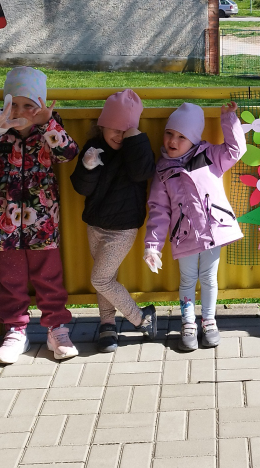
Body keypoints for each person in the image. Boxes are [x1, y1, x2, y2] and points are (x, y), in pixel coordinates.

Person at [0, 67, 79, 364]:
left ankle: (57, 328)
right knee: (10, 278)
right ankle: (15, 330)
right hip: (2, 221)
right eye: (13, 103)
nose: (19, 111)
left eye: (29, 105)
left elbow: (68, 153)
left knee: (49, 276)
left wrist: (48, 124)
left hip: (42, 220)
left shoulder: (48, 130)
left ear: (41, 107)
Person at [145, 101, 245, 351]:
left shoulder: (210, 156)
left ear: (194, 139)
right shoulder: (163, 170)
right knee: (188, 279)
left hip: (213, 231)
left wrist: (229, 119)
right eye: (169, 133)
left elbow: (235, 150)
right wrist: (152, 246)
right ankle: (188, 322)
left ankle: (209, 321)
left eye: (182, 136)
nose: (173, 141)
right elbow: (158, 210)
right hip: (185, 236)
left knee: (209, 278)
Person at [70, 88, 158, 351]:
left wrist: (135, 139)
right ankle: (107, 324)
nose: (119, 135)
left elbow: (143, 172)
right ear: (102, 125)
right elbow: (82, 188)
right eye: (114, 129)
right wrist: (87, 167)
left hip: (123, 229)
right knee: (107, 278)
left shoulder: (137, 149)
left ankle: (141, 318)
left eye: (126, 130)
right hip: (95, 224)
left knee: (101, 279)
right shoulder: (93, 148)